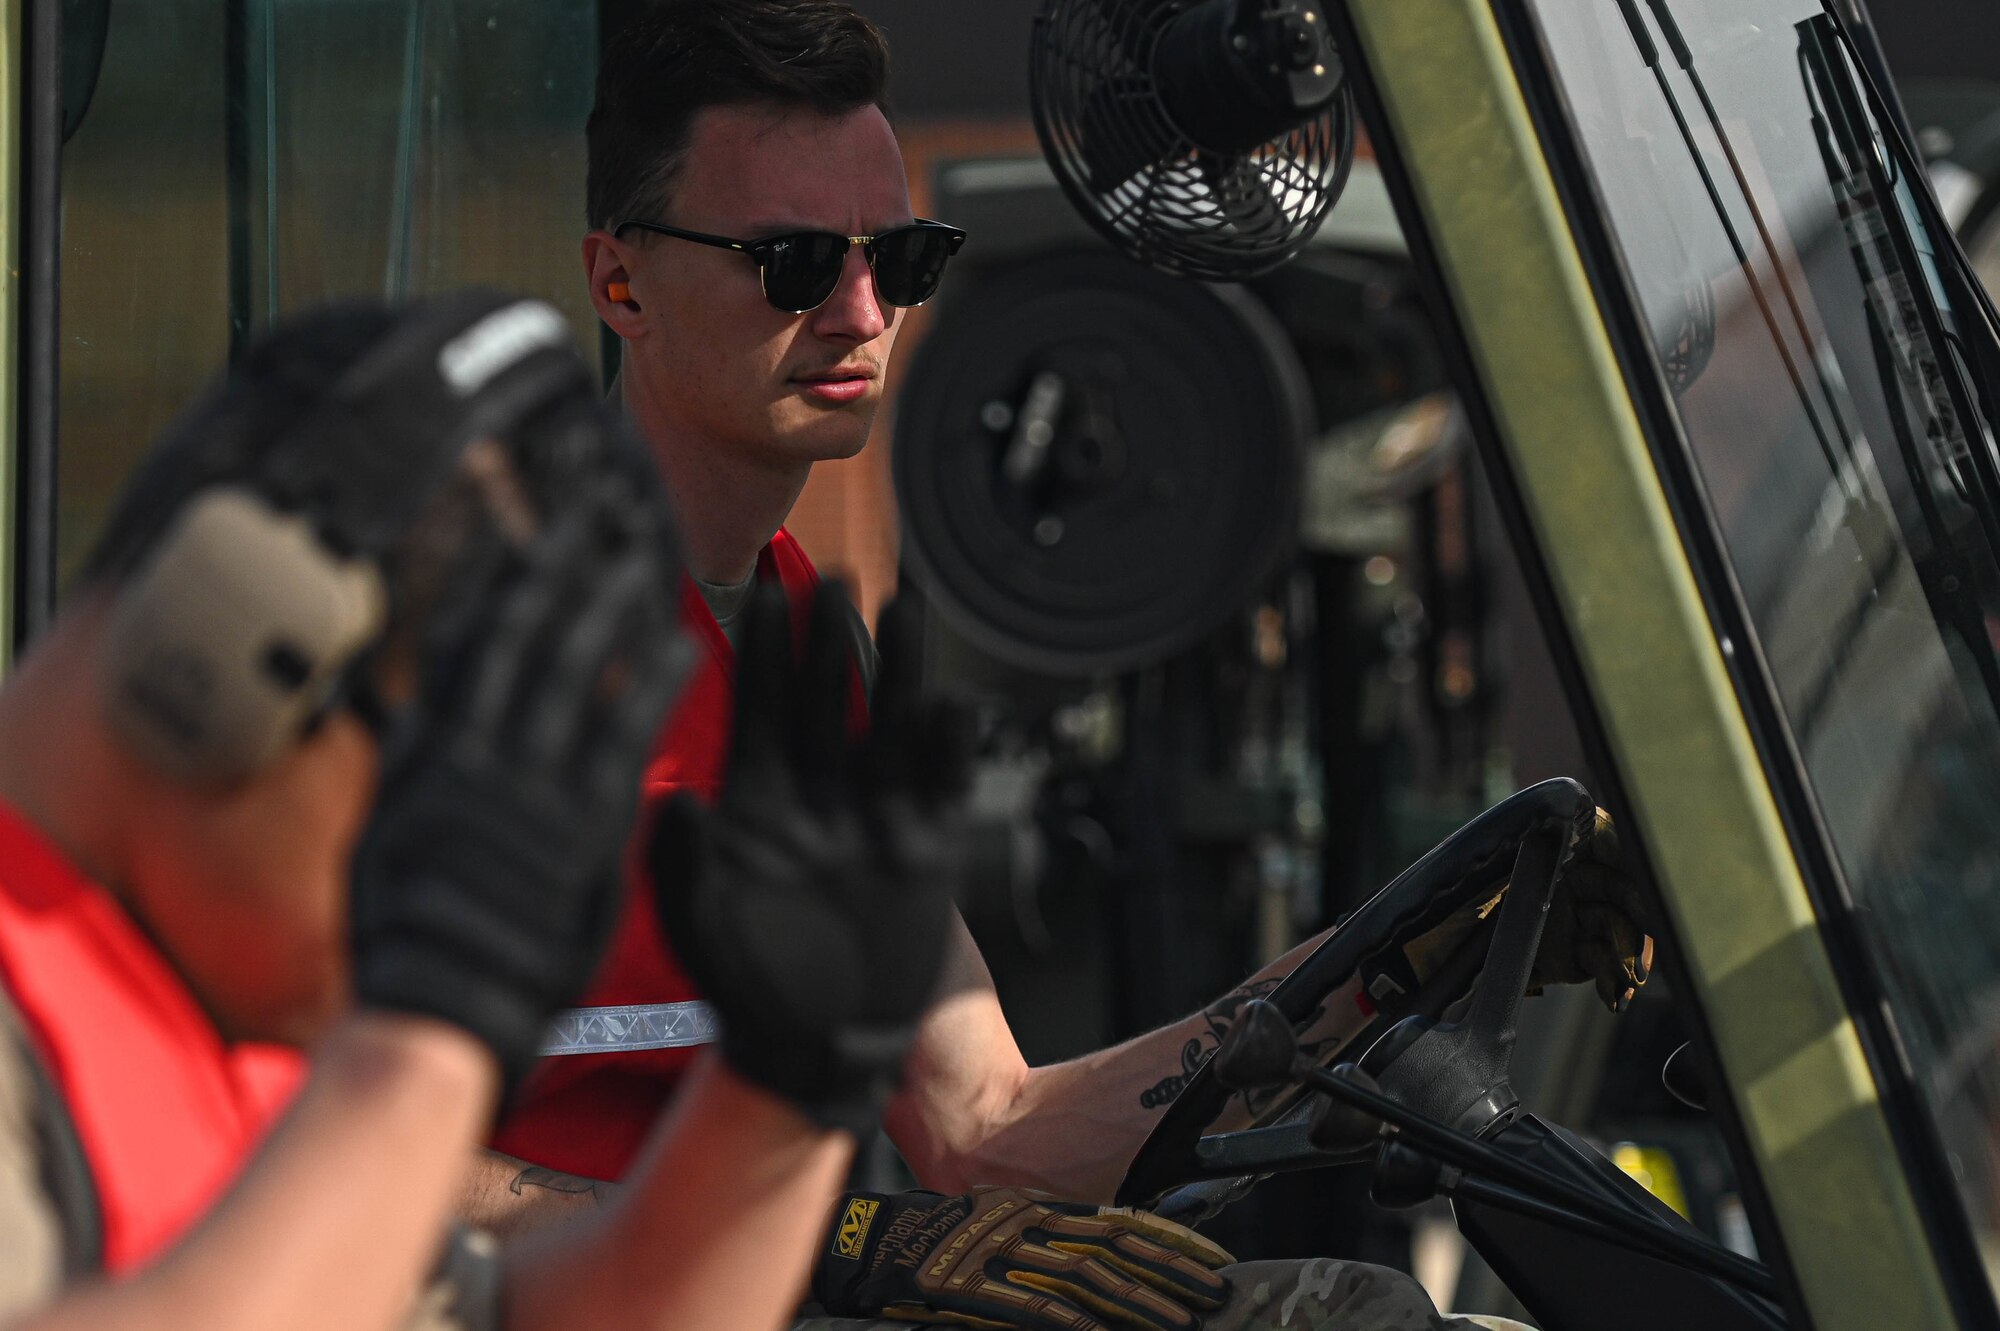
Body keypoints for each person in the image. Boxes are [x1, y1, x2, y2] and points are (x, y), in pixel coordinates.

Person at [475, 5, 1653, 1328]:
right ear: (619, 281)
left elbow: (989, 1132)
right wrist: (846, 1243)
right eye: (796, 262)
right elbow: (291, 1136)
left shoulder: (809, 645)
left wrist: (1406, 962)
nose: (864, 312)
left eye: (901, 258)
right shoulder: (475, 638)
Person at [0, 292, 963, 1331]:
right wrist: (427, 1040)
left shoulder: (206, 1039)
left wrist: (779, 1092)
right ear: (230, 641)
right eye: (455, 798)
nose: (459, 877)